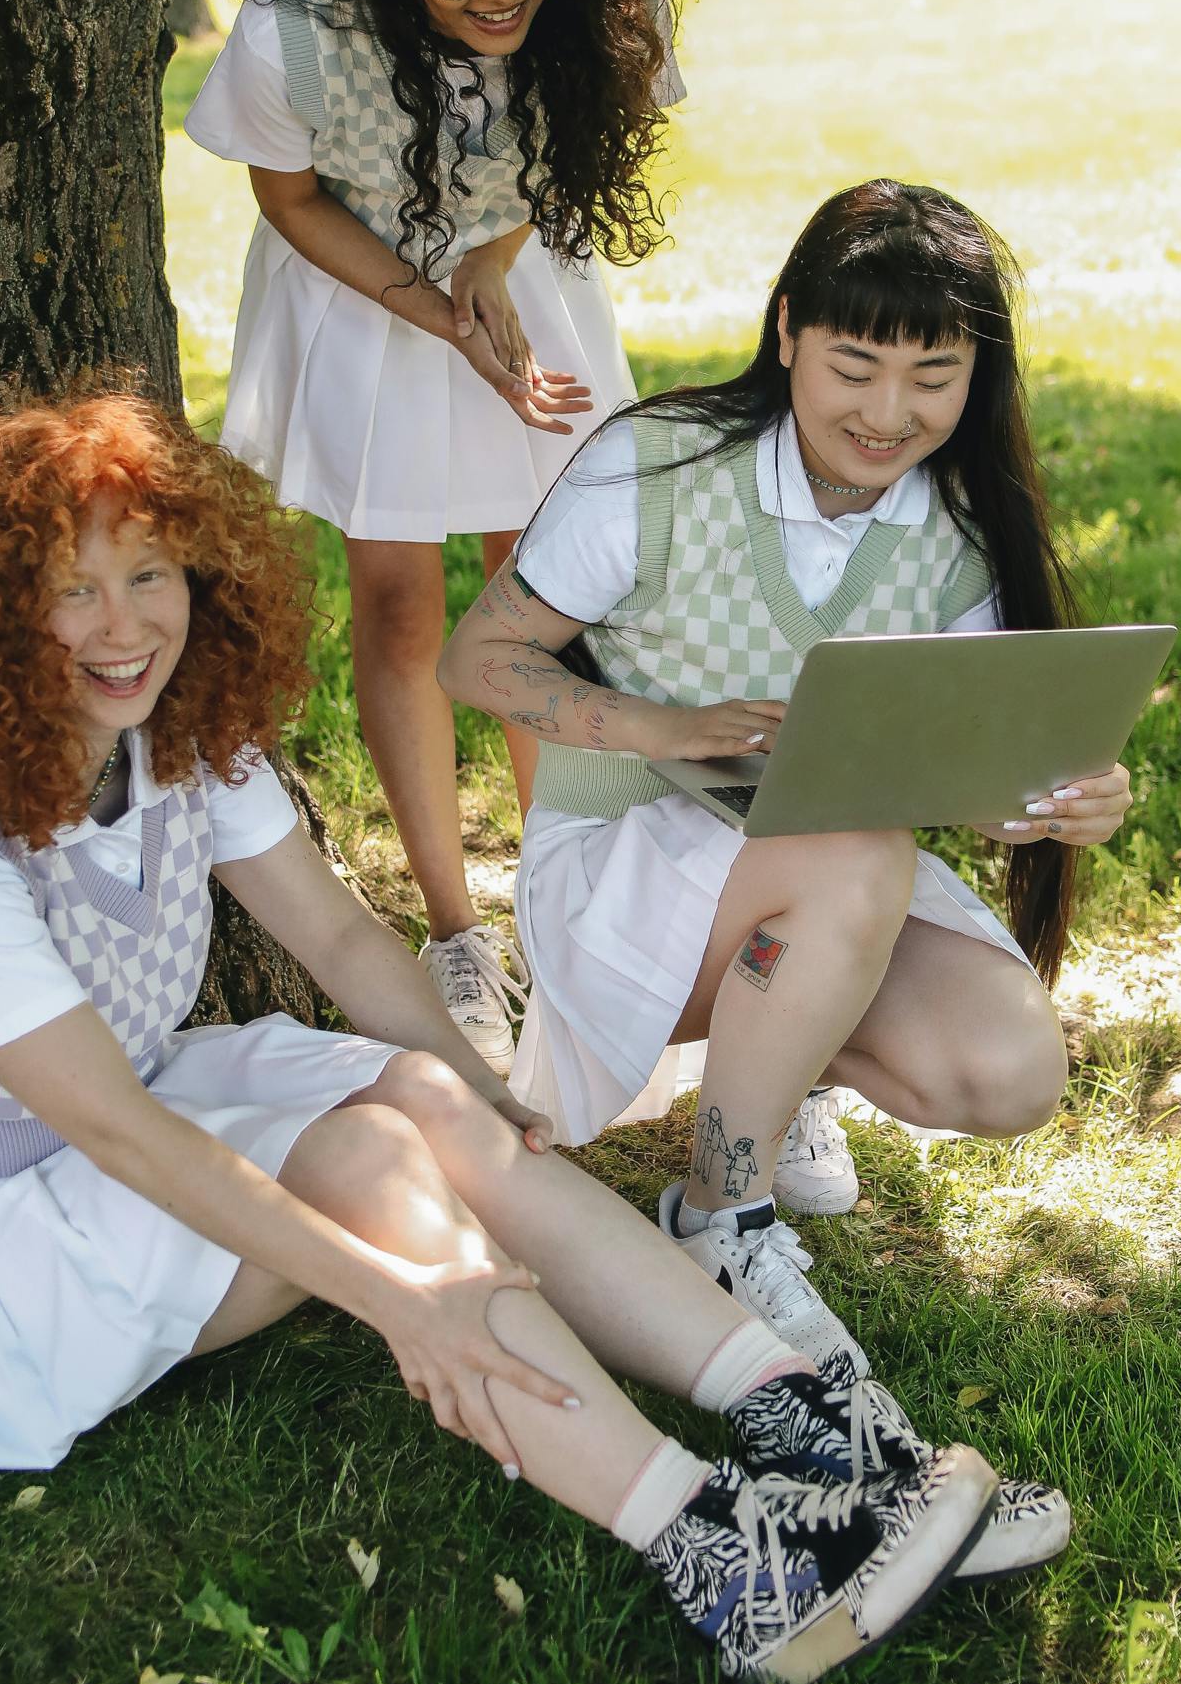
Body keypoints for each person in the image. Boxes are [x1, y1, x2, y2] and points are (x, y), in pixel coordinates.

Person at [0, 390, 1065, 1684]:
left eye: (151, 575)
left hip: (130, 1126)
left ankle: (819, 1429)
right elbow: (113, 1128)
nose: (123, 625)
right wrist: (397, 1297)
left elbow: (347, 947)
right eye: (71, 590)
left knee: (429, 1095)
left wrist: (486, 1090)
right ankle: (720, 1548)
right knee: (377, 1160)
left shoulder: (180, 736)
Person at [440, 179, 1131, 1412]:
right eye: (853, 365)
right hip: (621, 859)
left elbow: (965, 778)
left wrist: (1051, 797)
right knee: (852, 850)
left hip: (809, 880)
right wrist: (661, 725)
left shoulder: (958, 528)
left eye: (931, 377)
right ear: (785, 335)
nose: (886, 412)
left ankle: (773, 1077)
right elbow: (475, 661)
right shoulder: (656, 465)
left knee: (1007, 1070)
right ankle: (719, 1213)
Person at [182, 0, 683, 1079]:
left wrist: (489, 272)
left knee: (540, 590)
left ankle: (561, 911)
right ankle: (459, 935)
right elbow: (286, 199)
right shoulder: (301, 23)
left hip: (513, 287)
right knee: (402, 602)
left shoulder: (597, 1)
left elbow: (565, 157)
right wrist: (430, 304)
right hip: (359, 296)